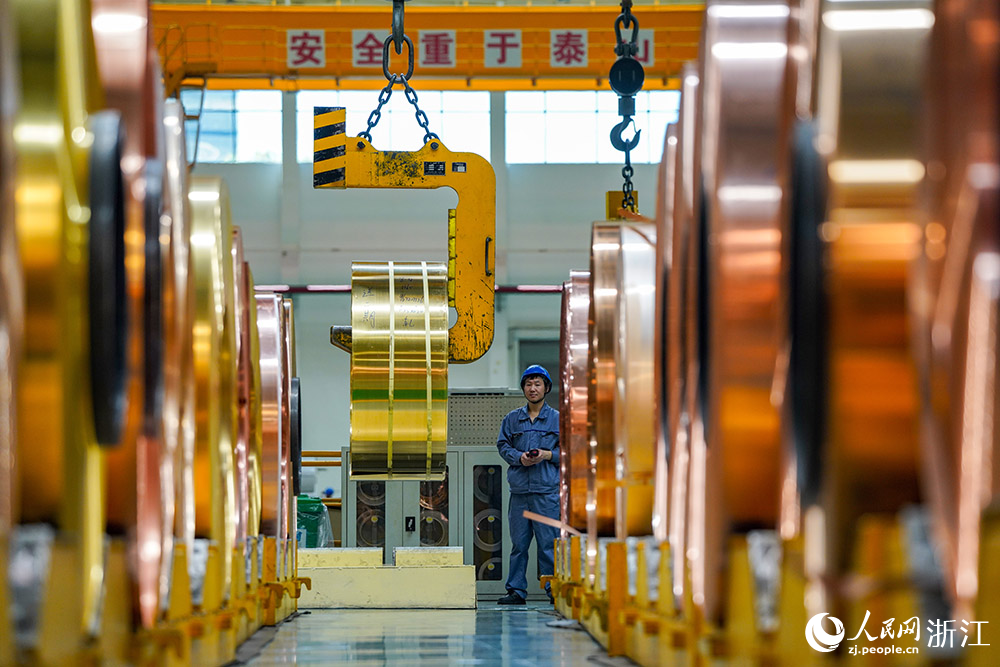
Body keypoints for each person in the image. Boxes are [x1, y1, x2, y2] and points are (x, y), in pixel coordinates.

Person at [495, 364, 560, 605]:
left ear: (546, 388)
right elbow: (503, 446)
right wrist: (518, 458)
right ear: (523, 388)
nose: (533, 388)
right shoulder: (512, 419)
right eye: (529, 384)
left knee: (548, 545)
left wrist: (547, 455)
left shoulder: (557, 419)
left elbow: (569, 453)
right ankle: (516, 591)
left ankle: (554, 589)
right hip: (520, 493)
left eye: (538, 384)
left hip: (547, 494)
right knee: (519, 545)